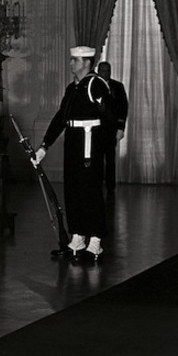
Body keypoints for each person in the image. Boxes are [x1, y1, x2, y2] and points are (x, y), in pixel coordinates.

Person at [32, 46, 115, 262]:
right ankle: (77, 238)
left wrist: (100, 149)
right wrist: (44, 147)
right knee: (73, 190)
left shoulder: (96, 85)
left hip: (90, 145)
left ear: (86, 63)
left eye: (74, 60)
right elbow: (61, 118)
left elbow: (109, 117)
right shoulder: (72, 88)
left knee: (90, 192)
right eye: (71, 60)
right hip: (73, 143)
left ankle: (95, 242)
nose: (71, 64)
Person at [96, 61, 128, 194]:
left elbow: (123, 108)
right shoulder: (93, 86)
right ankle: (96, 184)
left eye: (107, 70)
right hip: (95, 130)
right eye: (103, 70)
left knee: (110, 159)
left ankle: (110, 186)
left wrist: (120, 128)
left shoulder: (117, 86)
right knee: (96, 159)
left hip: (110, 129)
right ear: (98, 71)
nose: (105, 73)